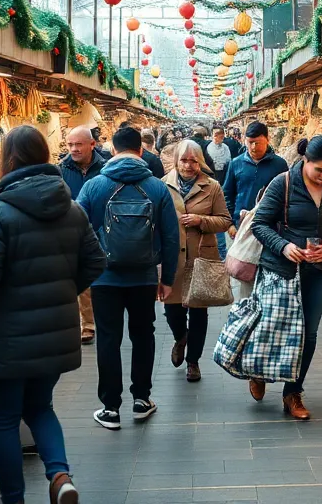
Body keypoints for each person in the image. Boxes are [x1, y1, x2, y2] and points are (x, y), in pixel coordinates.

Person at [0, 125, 106, 504]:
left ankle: (14, 499)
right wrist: (65, 289)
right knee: (40, 407)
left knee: (4, 419)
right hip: (55, 329)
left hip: (7, 334)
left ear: (9, 160)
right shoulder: (71, 209)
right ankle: (60, 475)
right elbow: (97, 261)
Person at [76, 126, 180, 430]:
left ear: (111, 148)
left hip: (104, 278)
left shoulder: (94, 187)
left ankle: (110, 407)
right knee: (143, 335)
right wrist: (168, 277)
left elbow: (78, 231)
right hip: (144, 276)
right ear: (141, 151)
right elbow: (172, 237)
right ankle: (141, 398)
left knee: (108, 338)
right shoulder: (158, 188)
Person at [249, 136, 322, 420]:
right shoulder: (283, 183)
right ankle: (259, 371)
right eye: (319, 170)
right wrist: (284, 246)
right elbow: (259, 224)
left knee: (308, 333)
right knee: (272, 326)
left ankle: (293, 392)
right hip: (281, 270)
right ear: (305, 161)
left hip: (317, 271)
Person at [161, 140, 232, 382]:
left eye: (194, 160)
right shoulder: (163, 185)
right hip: (172, 257)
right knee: (172, 309)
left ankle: (193, 362)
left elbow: (224, 220)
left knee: (199, 312)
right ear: (176, 160)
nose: (189, 165)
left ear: (200, 161)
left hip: (201, 256)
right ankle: (181, 336)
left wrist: (200, 220)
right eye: (184, 160)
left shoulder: (212, 187)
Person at [59, 126, 105, 346]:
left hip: (101, 231)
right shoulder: (61, 170)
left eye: (78, 144)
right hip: (73, 233)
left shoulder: (106, 168)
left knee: (101, 278)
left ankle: (102, 317)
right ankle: (87, 325)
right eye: (70, 145)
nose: (73, 149)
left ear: (92, 144)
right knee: (81, 281)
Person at [222, 121, 289, 227]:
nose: (253, 147)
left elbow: (286, 196)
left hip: (270, 225)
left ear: (268, 140)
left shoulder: (280, 165)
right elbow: (227, 195)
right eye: (250, 142)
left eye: (258, 143)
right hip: (241, 222)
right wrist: (230, 224)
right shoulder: (235, 163)